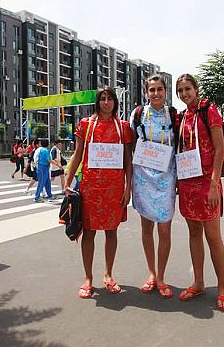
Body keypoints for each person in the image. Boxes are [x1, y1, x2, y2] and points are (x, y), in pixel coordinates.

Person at [64, 87, 133, 299]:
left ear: (115, 102)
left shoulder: (123, 128)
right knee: (90, 232)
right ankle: (88, 278)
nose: (106, 102)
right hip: (90, 189)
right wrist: (68, 180)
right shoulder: (86, 125)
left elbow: (127, 160)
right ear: (97, 102)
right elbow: (77, 154)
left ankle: (108, 275)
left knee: (111, 232)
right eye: (102, 99)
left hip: (114, 190)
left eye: (109, 99)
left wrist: (127, 187)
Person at [175, 73, 224, 311]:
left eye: (188, 88)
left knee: (213, 236)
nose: (185, 93)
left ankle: (222, 288)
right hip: (188, 184)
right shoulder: (183, 116)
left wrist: (213, 183)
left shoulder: (209, 110)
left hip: (208, 183)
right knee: (194, 234)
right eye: (180, 91)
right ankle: (198, 282)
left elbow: (219, 150)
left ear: (196, 89)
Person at [130, 75, 178, 298]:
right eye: (152, 90)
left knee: (165, 228)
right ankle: (151, 274)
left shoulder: (174, 115)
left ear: (165, 91)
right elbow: (128, 144)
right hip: (143, 176)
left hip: (167, 176)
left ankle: (162, 276)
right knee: (147, 227)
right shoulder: (138, 114)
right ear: (146, 92)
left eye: (160, 89)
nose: (156, 93)